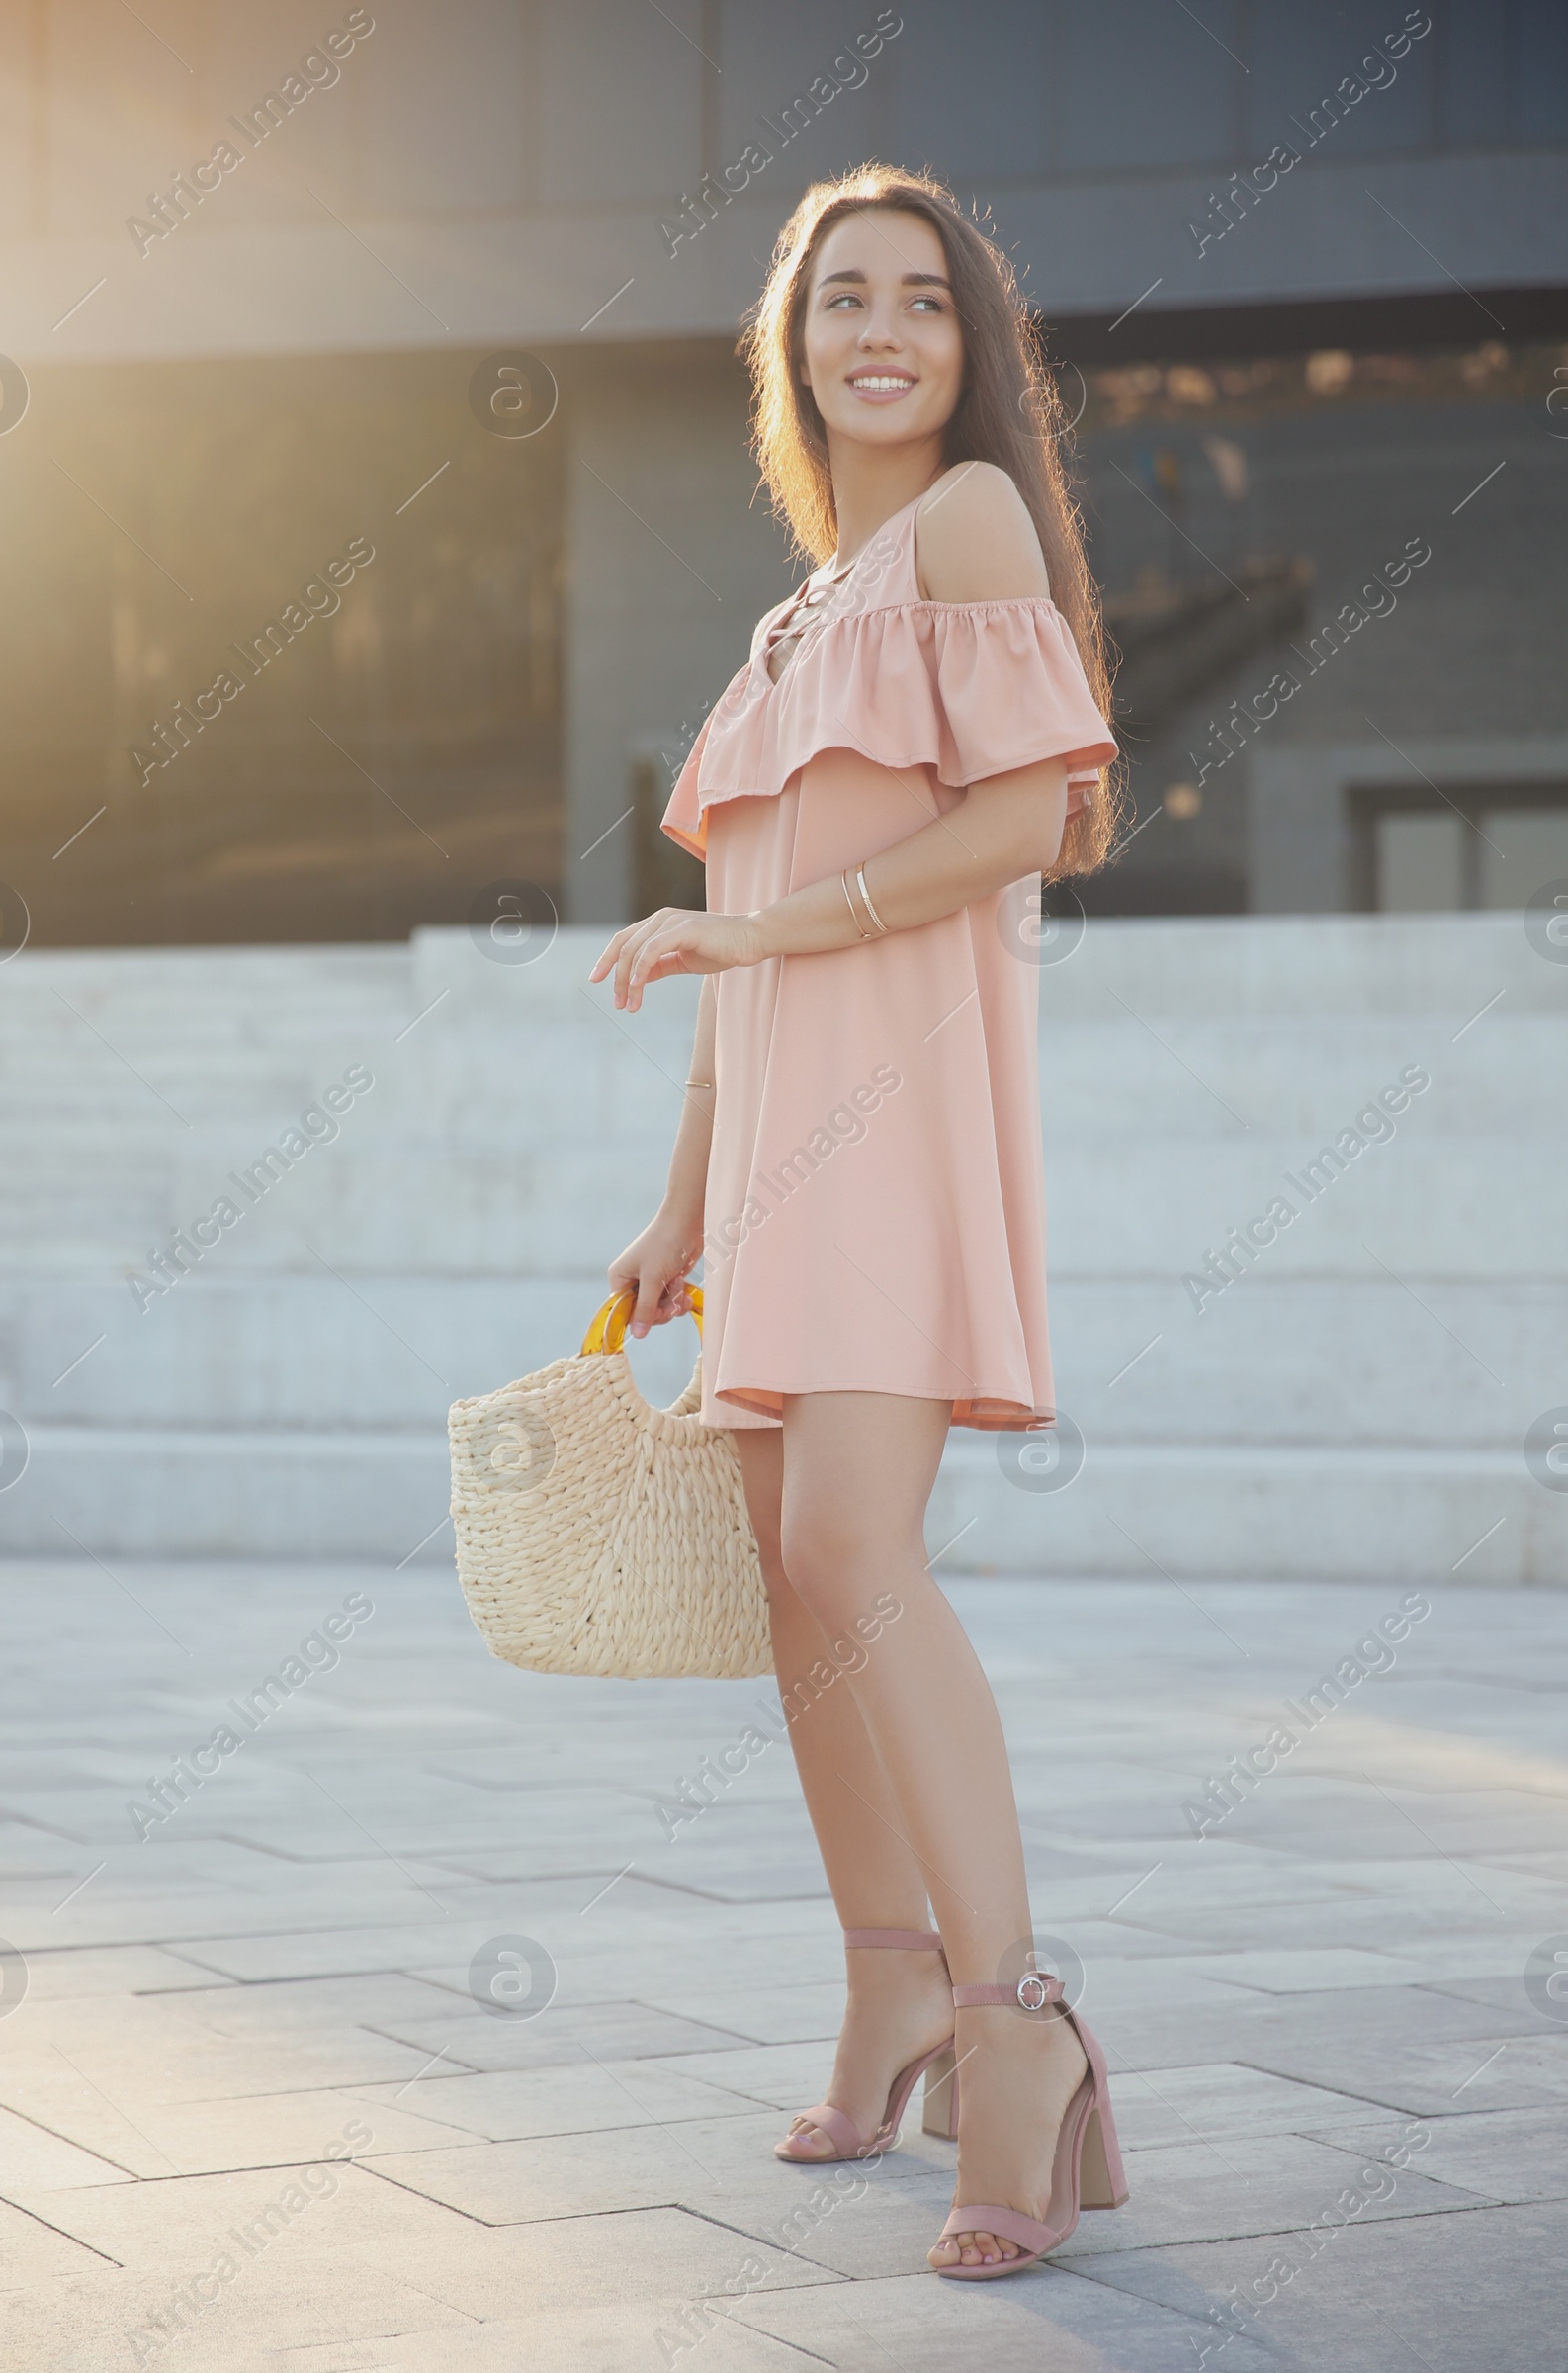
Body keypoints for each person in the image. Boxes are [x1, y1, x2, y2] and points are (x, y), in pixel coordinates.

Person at [589, 164, 1127, 2279]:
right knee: (785, 1568)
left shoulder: (969, 531)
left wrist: (772, 934)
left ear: (968, 347)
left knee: (849, 1542)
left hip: (900, 1125)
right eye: (840, 301)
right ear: (790, 346)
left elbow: (1022, 813)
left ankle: (1017, 2025)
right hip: (781, 1150)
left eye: (920, 298)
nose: (878, 329)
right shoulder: (794, 613)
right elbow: (737, 949)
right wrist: (675, 1203)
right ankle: (886, 1972)